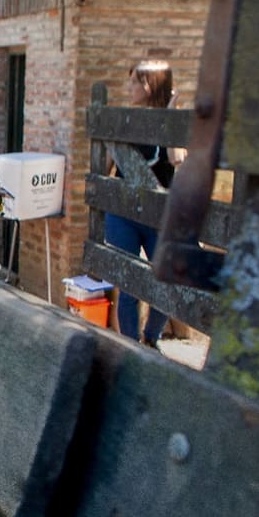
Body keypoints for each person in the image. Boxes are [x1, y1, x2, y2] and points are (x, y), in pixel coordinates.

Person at [105, 60, 176, 347]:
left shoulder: (171, 122)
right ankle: (131, 346)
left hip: (158, 214)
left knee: (169, 282)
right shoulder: (126, 120)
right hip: (124, 211)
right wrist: (110, 140)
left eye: (135, 82)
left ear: (150, 85)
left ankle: (151, 337)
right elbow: (105, 167)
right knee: (129, 284)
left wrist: (171, 119)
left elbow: (177, 159)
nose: (129, 87)